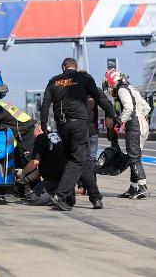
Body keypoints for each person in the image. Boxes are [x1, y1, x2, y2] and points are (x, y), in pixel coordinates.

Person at [40, 58, 118, 211]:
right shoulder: (84, 78)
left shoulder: (54, 81)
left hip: (62, 126)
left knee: (76, 160)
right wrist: (112, 114)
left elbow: (45, 105)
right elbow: (99, 97)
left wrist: (43, 125)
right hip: (78, 125)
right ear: (75, 67)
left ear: (63, 67)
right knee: (78, 160)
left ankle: (95, 198)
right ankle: (61, 195)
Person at [104, 69, 151, 199]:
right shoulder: (131, 87)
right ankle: (134, 187)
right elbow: (147, 107)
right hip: (141, 123)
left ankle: (142, 187)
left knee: (134, 156)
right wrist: (140, 118)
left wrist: (121, 122)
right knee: (133, 157)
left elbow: (129, 108)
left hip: (134, 125)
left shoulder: (121, 89)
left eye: (108, 83)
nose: (108, 87)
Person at [15, 122, 71, 206]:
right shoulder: (55, 137)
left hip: (53, 180)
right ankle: (66, 196)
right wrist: (25, 180)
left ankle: (57, 197)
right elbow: (41, 170)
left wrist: (22, 172)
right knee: (33, 194)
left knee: (31, 198)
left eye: (34, 134)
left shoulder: (41, 137)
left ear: (39, 130)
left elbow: (34, 163)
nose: (33, 138)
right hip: (64, 180)